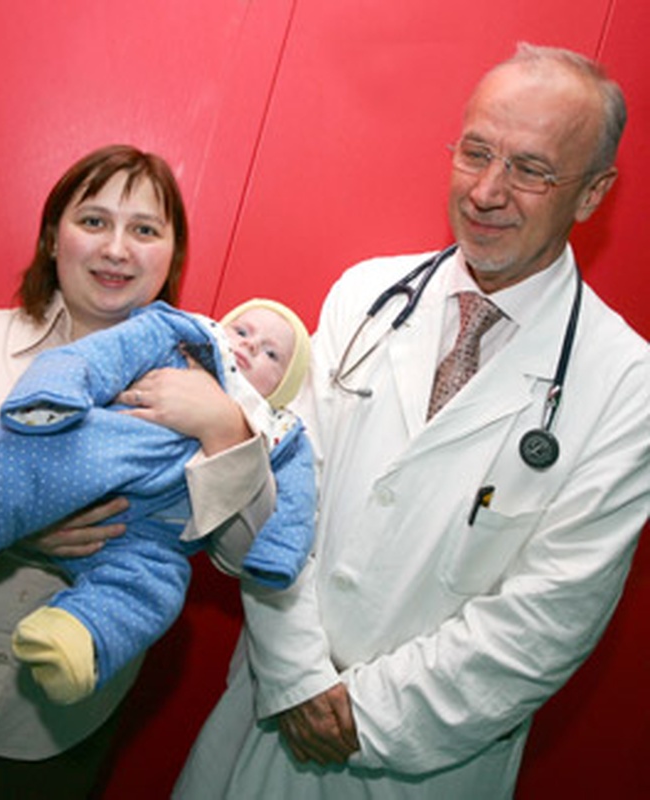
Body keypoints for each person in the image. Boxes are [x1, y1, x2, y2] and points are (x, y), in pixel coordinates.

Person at [165, 43, 649, 799]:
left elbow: (551, 615)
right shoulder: (366, 297)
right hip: (265, 714)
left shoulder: (626, 384)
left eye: (530, 169)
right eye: (476, 153)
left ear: (591, 194)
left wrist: (359, 716)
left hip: (417, 767)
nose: (486, 191)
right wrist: (297, 677)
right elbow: (282, 502)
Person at [0, 144, 267, 797]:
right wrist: (7, 518)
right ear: (52, 237)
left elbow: (248, 556)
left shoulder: (218, 388)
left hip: (56, 728)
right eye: (94, 221)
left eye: (145, 230)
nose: (116, 249)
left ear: (172, 257)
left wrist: (223, 429)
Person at [0, 297, 314, 706]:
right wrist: (50, 398)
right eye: (242, 331)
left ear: (286, 385)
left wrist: (277, 553)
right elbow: (86, 362)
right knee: (23, 457)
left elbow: (295, 509)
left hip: (150, 536)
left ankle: (76, 638)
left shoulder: (278, 433)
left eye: (272, 354)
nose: (250, 347)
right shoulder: (175, 341)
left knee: (158, 589)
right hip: (84, 465)